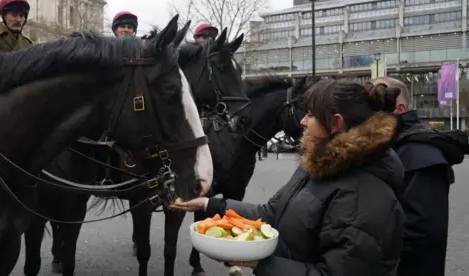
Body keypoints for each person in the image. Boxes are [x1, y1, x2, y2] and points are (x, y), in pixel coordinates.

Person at [172, 79, 405, 275]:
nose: (303, 121)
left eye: (311, 115)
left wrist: (260, 263)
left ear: (336, 123)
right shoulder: (319, 163)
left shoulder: (365, 197)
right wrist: (210, 204)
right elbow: (270, 213)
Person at [371, 76, 466, 276]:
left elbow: (420, 234)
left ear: (400, 108)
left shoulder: (421, 152)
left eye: (377, 101)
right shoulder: (390, 145)